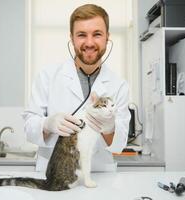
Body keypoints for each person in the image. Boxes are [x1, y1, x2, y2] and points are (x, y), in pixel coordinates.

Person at [23, 4, 130, 172]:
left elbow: (118, 145)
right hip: (54, 173)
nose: (89, 42)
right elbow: (29, 129)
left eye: (97, 34)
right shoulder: (47, 76)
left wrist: (109, 128)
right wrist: (46, 124)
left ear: (107, 37)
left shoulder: (119, 85)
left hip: (98, 174)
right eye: (81, 35)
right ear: (72, 38)